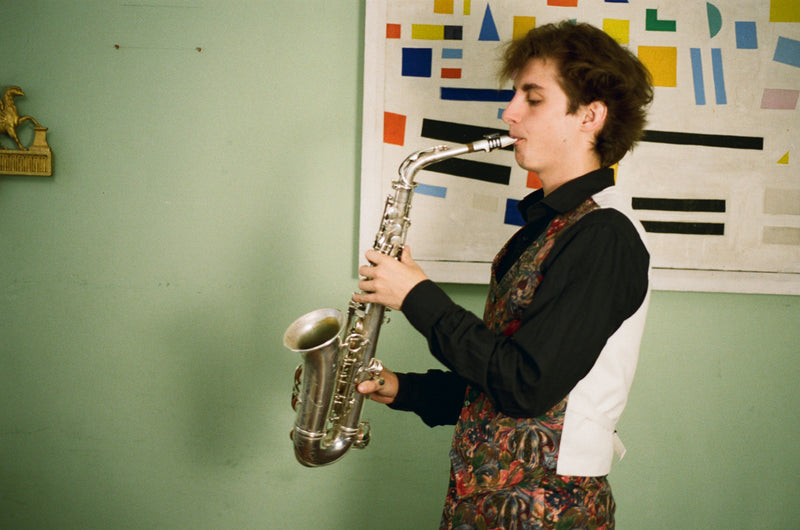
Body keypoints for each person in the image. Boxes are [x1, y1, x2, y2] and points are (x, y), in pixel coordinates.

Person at [354, 20, 653, 529]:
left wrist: (418, 297)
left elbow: (525, 385)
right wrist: (401, 388)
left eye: (532, 98)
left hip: (549, 511)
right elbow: (497, 382)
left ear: (591, 116)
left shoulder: (606, 235)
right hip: (487, 505)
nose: (510, 112)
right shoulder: (548, 228)